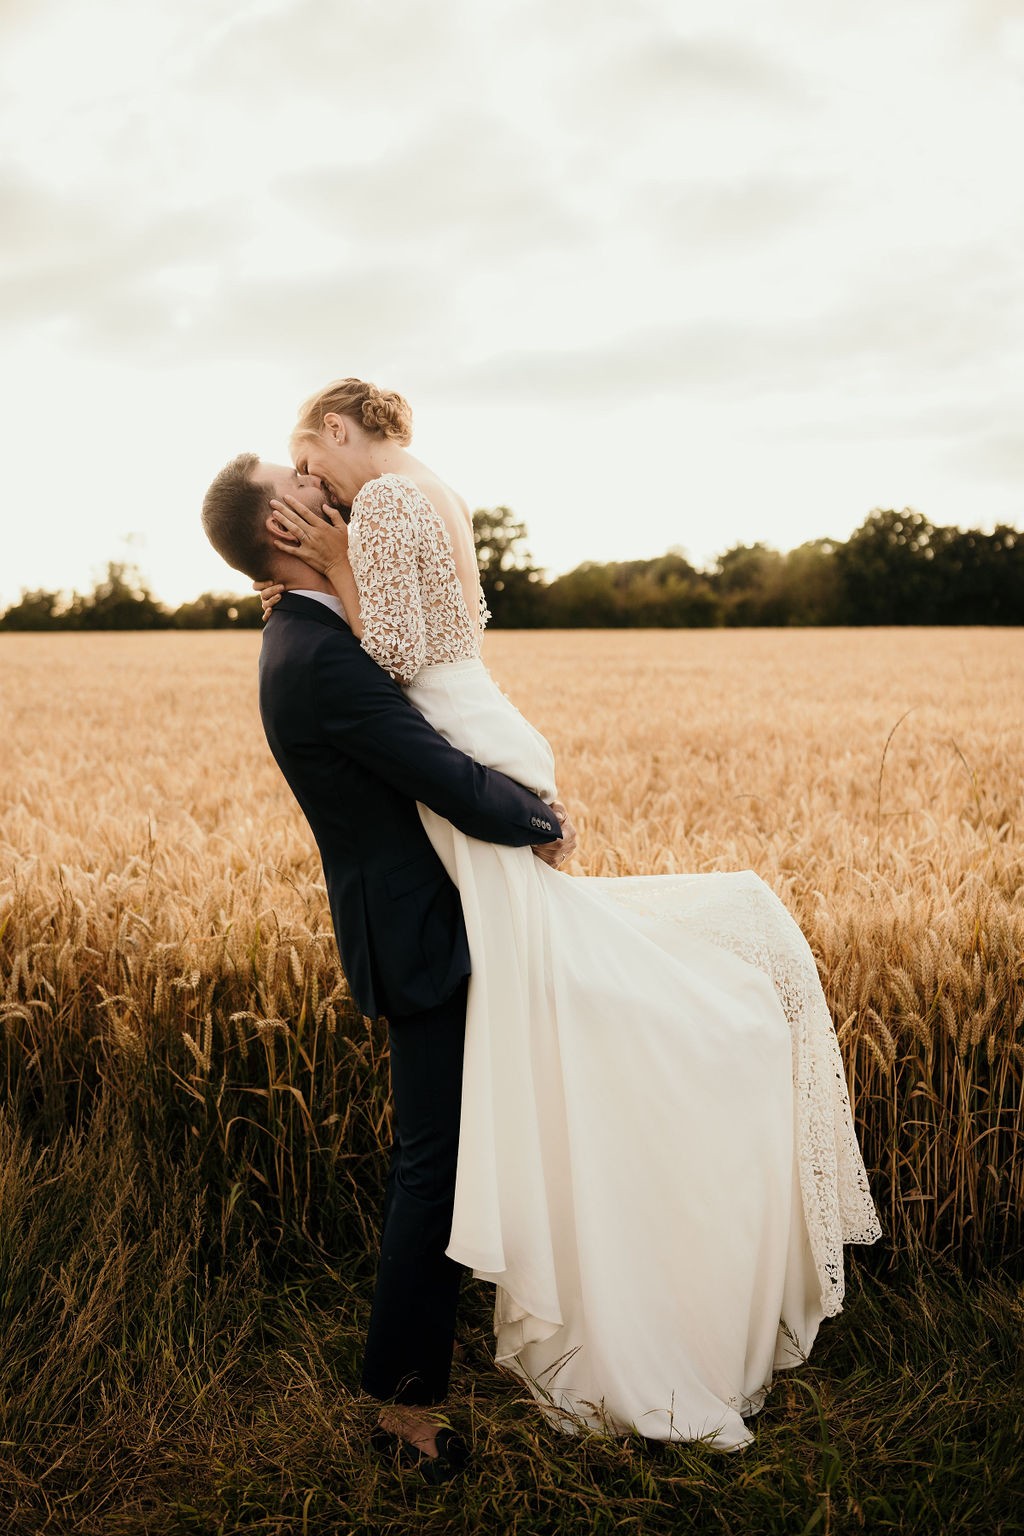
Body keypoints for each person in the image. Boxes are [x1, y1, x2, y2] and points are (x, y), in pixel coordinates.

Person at [201, 452, 574, 1478]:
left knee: (447, 1158)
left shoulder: (308, 635)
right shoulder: (314, 654)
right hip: (425, 939)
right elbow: (434, 764)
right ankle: (404, 1414)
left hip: (420, 926)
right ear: (281, 521)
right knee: (433, 1170)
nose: (328, 492)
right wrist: (539, 815)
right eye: (303, 485)